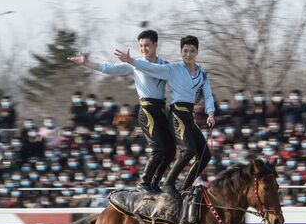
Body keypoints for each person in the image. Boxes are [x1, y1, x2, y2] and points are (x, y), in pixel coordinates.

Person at [69, 30, 175, 194]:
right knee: (159, 148)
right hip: (147, 110)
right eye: (140, 46)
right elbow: (109, 68)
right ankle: (144, 182)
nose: (143, 49)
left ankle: (156, 182)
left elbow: (177, 80)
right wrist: (86, 63)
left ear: (155, 45)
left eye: (146, 45)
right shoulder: (134, 65)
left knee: (171, 149)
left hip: (162, 109)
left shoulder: (166, 65)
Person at [115, 35, 216, 197]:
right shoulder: (174, 69)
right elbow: (152, 68)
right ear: (181, 52)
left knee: (205, 155)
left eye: (192, 51)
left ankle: (185, 188)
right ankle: (168, 184)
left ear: (197, 52)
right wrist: (132, 61)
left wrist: (210, 112)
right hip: (176, 115)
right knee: (188, 150)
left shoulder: (203, 75)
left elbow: (208, 95)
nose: (188, 54)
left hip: (189, 116)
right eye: (185, 51)